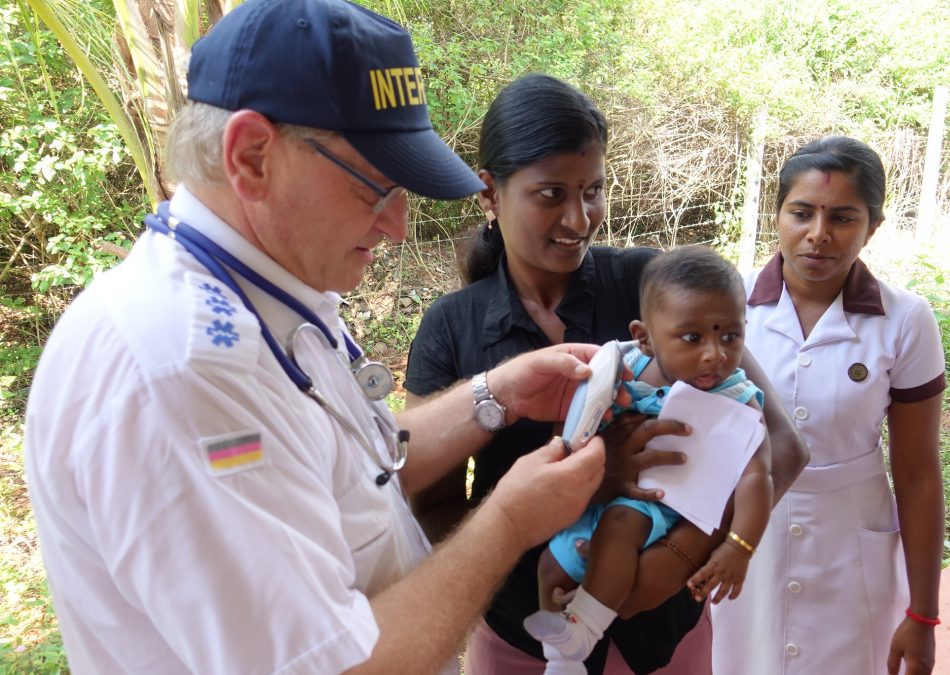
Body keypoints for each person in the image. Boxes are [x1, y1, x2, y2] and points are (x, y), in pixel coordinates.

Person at [23, 2, 620, 673]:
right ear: (252, 156)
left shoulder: (271, 294)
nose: (397, 224)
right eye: (377, 187)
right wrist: (509, 520)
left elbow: (348, 464)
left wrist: (495, 396)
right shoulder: (181, 374)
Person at [405, 73, 808, 674]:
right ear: (489, 192)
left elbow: (780, 444)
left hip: (662, 637)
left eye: (592, 190)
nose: (579, 217)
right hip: (524, 641)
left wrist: (680, 553)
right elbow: (428, 501)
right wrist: (557, 510)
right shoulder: (451, 328)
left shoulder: (656, 289)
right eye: (551, 194)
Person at [710, 136, 946, 675]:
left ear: (873, 226)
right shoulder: (726, 306)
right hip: (748, 533)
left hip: (852, 543)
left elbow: (916, 475)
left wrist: (924, 613)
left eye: (843, 217)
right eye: (801, 213)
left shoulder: (905, 320)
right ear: (777, 216)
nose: (818, 235)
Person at [524, 246, 774, 675]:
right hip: (594, 501)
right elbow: (575, 422)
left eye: (730, 336)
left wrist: (740, 546)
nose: (715, 353)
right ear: (644, 336)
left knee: (622, 526)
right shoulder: (622, 364)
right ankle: (562, 662)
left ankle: (581, 634)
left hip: (657, 502)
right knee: (550, 568)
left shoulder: (737, 397)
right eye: (693, 338)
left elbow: (757, 475)